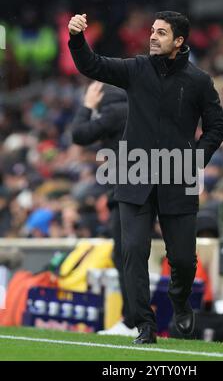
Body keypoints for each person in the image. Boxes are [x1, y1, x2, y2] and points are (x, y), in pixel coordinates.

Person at [68, 11, 223, 344]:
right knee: (133, 251)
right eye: (152, 31)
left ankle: (180, 301)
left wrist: (196, 159)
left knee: (182, 258)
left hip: (177, 177)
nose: (153, 37)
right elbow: (92, 65)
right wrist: (77, 38)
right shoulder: (135, 69)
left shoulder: (198, 80)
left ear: (178, 42)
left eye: (162, 33)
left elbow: (217, 126)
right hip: (133, 176)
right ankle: (145, 324)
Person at [71, 81, 138, 336]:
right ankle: (136, 318)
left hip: (127, 191)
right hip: (141, 188)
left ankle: (133, 320)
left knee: (125, 256)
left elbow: (79, 134)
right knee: (129, 256)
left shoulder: (114, 112)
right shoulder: (132, 109)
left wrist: (87, 107)